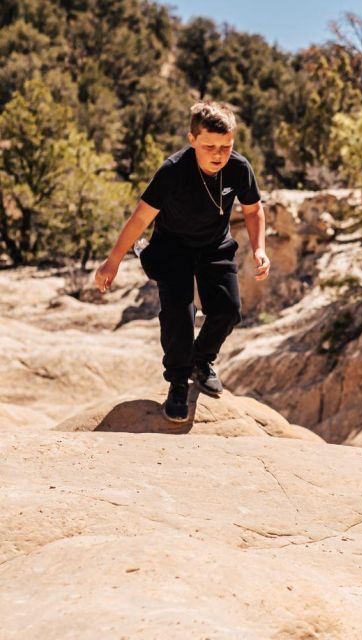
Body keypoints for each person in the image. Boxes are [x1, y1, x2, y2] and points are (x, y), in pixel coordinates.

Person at [94, 101, 270, 422]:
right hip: (171, 247)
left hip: (214, 246)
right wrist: (112, 261)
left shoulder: (238, 168)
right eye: (209, 146)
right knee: (179, 313)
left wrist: (259, 248)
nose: (218, 154)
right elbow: (140, 218)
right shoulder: (173, 171)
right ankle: (177, 380)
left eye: (226, 146)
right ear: (192, 140)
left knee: (228, 310)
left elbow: (254, 209)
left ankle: (201, 361)